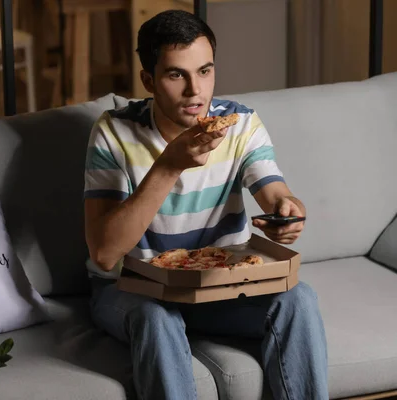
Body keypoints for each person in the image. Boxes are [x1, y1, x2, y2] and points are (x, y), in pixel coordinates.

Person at [82, 9, 328, 400]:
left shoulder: (239, 124)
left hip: (218, 286)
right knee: (154, 316)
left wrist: (287, 210)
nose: (195, 91)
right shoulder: (113, 131)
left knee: (299, 297)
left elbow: (274, 190)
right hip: (136, 291)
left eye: (205, 71)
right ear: (149, 80)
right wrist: (169, 165)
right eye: (176, 74)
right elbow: (105, 254)